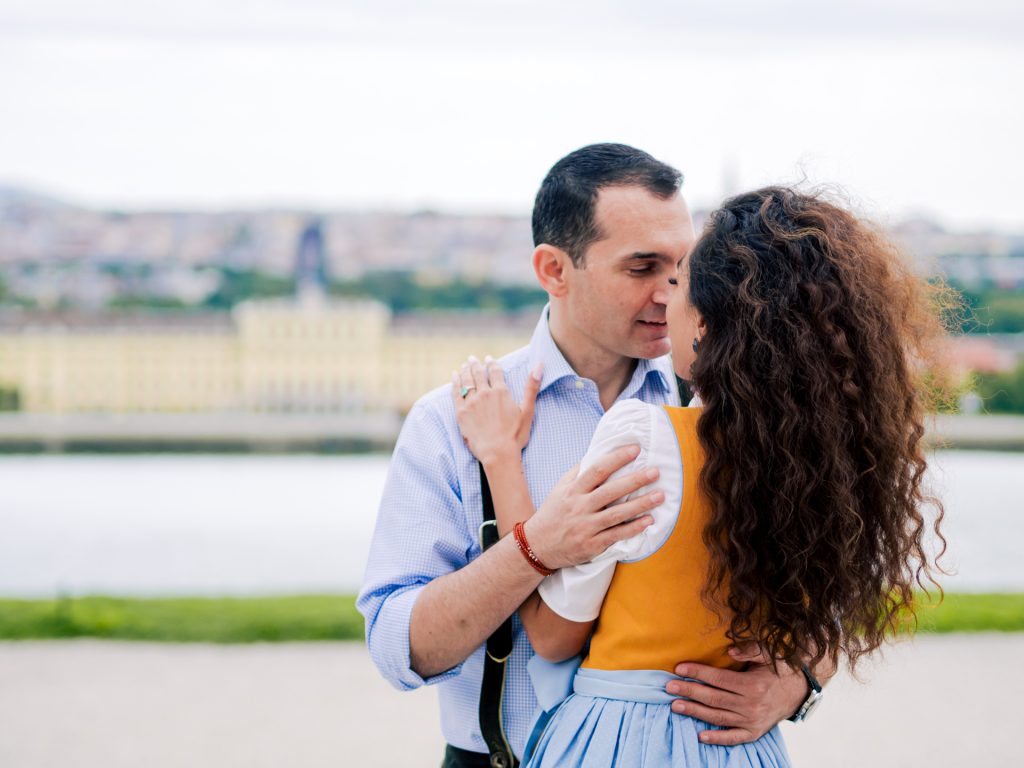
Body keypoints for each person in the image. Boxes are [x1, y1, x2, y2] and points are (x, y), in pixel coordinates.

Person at [452, 186, 948, 765]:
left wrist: (501, 458)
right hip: (743, 748)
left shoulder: (644, 437)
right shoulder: (819, 464)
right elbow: (824, 622)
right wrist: (800, 681)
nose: (665, 299)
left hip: (621, 744)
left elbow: (553, 636)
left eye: (679, 282)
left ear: (707, 325)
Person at [358, 145, 815, 767]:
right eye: (642, 267)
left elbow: (840, 574)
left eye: (682, 267)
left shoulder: (735, 404)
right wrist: (537, 547)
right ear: (553, 269)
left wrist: (799, 682)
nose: (671, 293)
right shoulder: (450, 421)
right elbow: (398, 647)